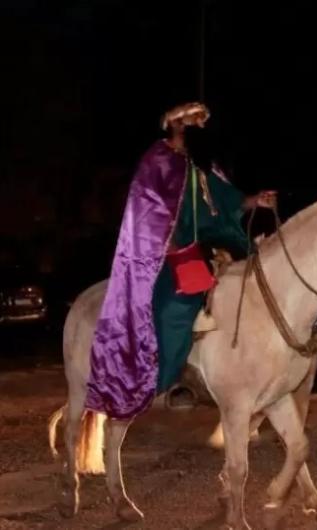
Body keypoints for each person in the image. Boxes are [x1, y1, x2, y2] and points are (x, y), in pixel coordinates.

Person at [85, 102, 276, 420]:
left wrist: (256, 201)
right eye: (192, 122)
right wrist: (171, 246)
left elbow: (225, 202)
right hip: (172, 248)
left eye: (200, 123)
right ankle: (171, 379)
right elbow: (146, 209)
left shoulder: (201, 165)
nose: (198, 128)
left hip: (217, 243)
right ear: (174, 124)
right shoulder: (157, 160)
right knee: (177, 302)